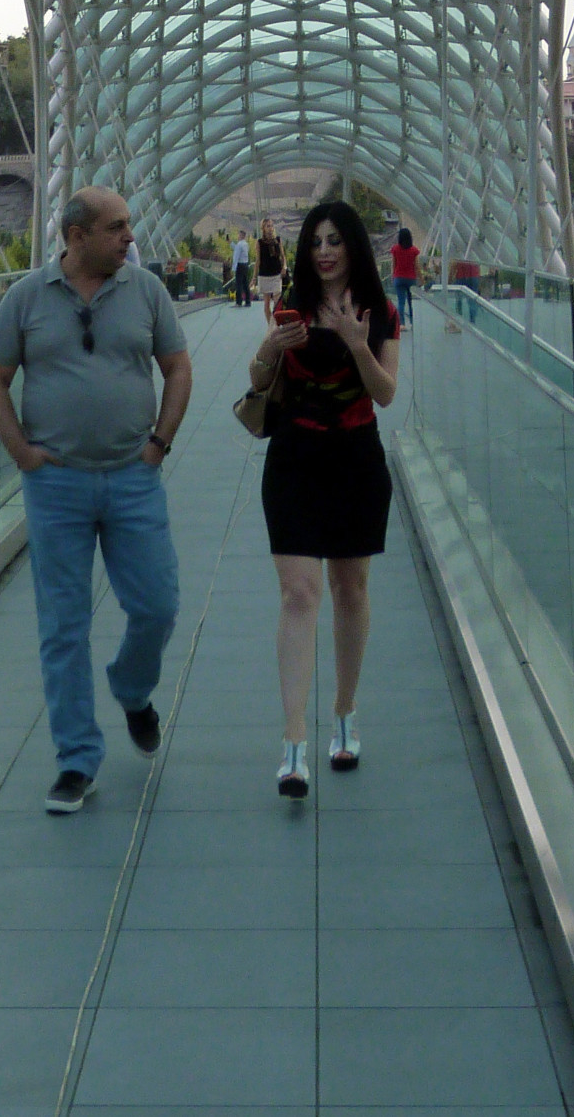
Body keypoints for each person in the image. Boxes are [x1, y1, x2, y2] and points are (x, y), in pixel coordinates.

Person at [0, 186, 193, 814]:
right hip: (56, 485)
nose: (131, 237)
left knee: (157, 604)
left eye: (129, 225)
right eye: (117, 227)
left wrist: (160, 442)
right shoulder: (26, 299)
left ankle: (132, 688)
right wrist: (22, 453)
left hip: (133, 476)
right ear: (76, 236)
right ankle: (76, 760)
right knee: (63, 626)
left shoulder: (147, 291)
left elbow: (177, 367)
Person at [244, 199, 400, 798]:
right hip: (295, 459)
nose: (325, 251)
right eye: (315, 241)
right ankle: (292, 745)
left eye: (335, 240)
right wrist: (270, 349)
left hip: (356, 457)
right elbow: (259, 383)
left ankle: (344, 714)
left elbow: (385, 393)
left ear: (353, 246)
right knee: (298, 591)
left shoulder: (379, 312)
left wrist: (357, 344)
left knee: (349, 588)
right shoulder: (290, 308)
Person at [389, 226, 421, 329]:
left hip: (398, 277)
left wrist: (393, 276)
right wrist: (421, 278)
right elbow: (416, 266)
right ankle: (412, 322)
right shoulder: (414, 250)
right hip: (411, 278)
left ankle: (402, 324)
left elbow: (393, 264)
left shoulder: (395, 249)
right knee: (411, 302)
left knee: (401, 302)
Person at [256, 220, 286, 321]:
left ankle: (276, 323)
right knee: (267, 303)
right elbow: (258, 261)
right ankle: (270, 325)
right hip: (264, 275)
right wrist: (254, 277)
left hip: (276, 274)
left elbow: (282, 256)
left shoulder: (278, 240)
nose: (270, 228)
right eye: (268, 226)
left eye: (271, 226)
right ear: (263, 228)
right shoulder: (260, 242)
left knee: (277, 303)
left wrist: (284, 267)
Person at [232, 230, 253, 308]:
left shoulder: (239, 244)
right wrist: (231, 244)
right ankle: (248, 301)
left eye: (239, 235)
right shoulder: (246, 244)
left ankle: (239, 302)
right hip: (245, 265)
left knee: (239, 284)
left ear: (241, 236)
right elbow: (237, 249)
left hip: (240, 265)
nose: (238, 236)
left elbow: (236, 255)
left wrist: (234, 267)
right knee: (245, 283)